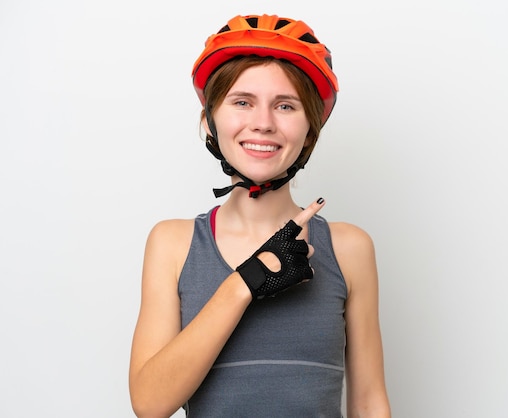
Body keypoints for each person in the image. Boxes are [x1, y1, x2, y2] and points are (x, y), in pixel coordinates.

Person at [129, 14, 391, 417]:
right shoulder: (173, 243)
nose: (263, 123)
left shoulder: (349, 248)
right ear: (210, 123)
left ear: (310, 131)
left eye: (285, 105)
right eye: (242, 102)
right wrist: (247, 282)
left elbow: (369, 402)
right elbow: (149, 404)